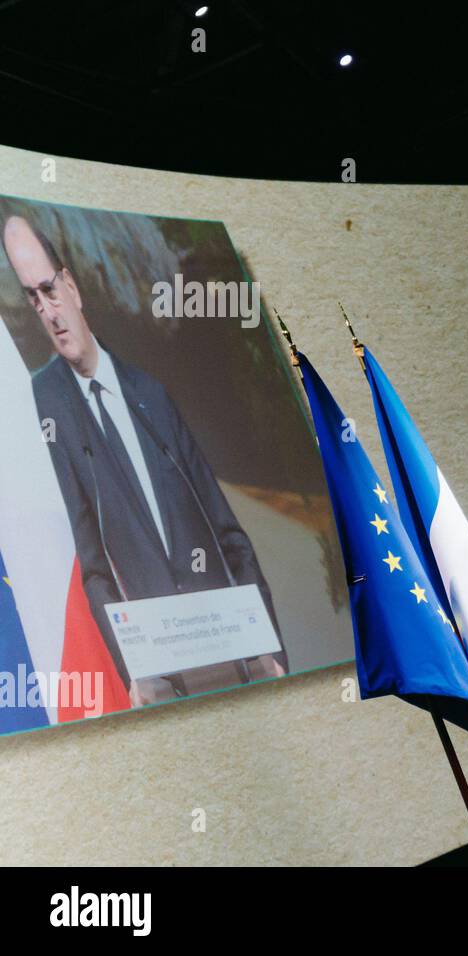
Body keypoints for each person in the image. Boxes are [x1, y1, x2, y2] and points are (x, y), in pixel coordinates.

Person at [2, 215, 286, 705]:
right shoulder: (43, 401)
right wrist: (131, 670)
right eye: (33, 298)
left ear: (71, 285)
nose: (48, 311)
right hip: (159, 682)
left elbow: (228, 534)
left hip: (235, 660)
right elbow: (91, 564)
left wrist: (269, 646)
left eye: (50, 289)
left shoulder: (149, 392)